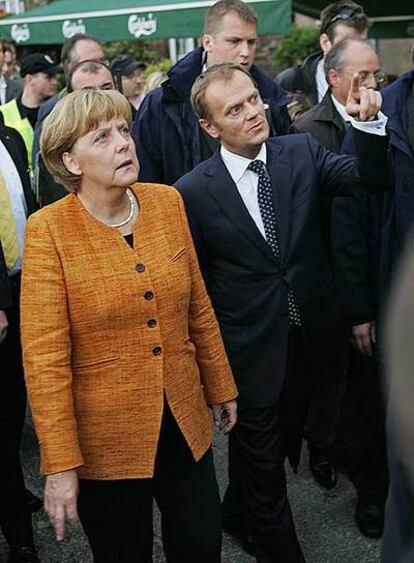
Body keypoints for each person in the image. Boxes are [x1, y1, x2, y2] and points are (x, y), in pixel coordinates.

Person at [175, 62, 388, 562]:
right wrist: (211, 368)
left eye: (253, 99)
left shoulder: (301, 152)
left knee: (273, 452)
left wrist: (368, 126)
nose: (254, 112)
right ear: (209, 126)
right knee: (267, 474)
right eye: (235, 109)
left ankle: (235, 511)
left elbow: (366, 179)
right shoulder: (192, 192)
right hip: (247, 355)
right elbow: (197, 288)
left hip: (310, 342)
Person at [20, 89, 238, 563]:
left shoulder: (166, 203)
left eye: (123, 130)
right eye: (102, 137)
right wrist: (59, 465)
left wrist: (221, 385)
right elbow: (44, 360)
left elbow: (198, 304)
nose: (124, 143)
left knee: (202, 544)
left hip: (183, 418)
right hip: (107, 439)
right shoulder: (48, 231)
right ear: (70, 161)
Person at [291, 38, 388, 537]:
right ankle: (357, 481)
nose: (375, 86)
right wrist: (354, 307)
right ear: (334, 78)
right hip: (336, 287)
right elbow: (336, 223)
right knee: (349, 394)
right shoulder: (308, 132)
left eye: (380, 76)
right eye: (365, 76)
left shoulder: (386, 119)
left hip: (380, 279)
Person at [133, 0, 291, 185]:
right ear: (207, 42)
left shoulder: (272, 99)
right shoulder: (163, 103)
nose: (245, 52)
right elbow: (145, 178)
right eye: (234, 41)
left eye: (251, 42)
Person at [0, 123, 38, 563]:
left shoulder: (11, 136)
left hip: (26, 283)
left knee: (15, 405)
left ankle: (12, 486)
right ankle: (19, 539)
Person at [32, 33, 106, 206]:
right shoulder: (55, 111)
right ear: (69, 67)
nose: (100, 69)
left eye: (103, 61)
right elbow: (50, 172)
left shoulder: (117, 103)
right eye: (90, 64)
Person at [276, 1, 368, 106]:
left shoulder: (369, 83)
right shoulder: (293, 82)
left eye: (362, 44)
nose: (356, 52)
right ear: (325, 43)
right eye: (345, 44)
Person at [0, 53, 62, 171]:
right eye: (48, 77)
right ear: (29, 79)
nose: (54, 82)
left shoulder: (58, 111)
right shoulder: (3, 113)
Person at [111, 54, 146, 119]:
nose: (138, 81)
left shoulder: (151, 102)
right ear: (116, 81)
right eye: (131, 77)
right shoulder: (112, 110)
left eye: (139, 74)